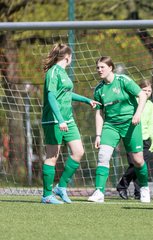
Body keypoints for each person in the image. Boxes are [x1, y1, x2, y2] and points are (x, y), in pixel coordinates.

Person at [41, 43, 100, 204]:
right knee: (52, 156)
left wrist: (87, 100)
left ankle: (61, 187)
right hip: (54, 120)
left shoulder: (63, 73)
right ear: (67, 57)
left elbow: (67, 93)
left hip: (68, 119)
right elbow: (52, 96)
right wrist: (59, 120)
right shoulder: (53, 72)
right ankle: (46, 195)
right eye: (72, 56)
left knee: (78, 152)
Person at [87, 56, 150, 203]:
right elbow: (99, 113)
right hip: (111, 126)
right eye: (97, 67)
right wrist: (98, 135)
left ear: (110, 68)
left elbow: (141, 95)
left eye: (102, 67)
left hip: (131, 124)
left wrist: (138, 114)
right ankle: (99, 192)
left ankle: (145, 188)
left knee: (138, 160)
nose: (99, 70)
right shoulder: (99, 90)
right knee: (103, 156)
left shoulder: (123, 80)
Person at [116, 79, 153, 200]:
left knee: (142, 165)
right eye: (144, 90)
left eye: (149, 90)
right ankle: (122, 186)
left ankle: (139, 192)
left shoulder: (150, 105)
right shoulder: (132, 102)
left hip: (146, 139)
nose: (147, 92)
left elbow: (151, 123)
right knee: (135, 164)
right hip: (133, 137)